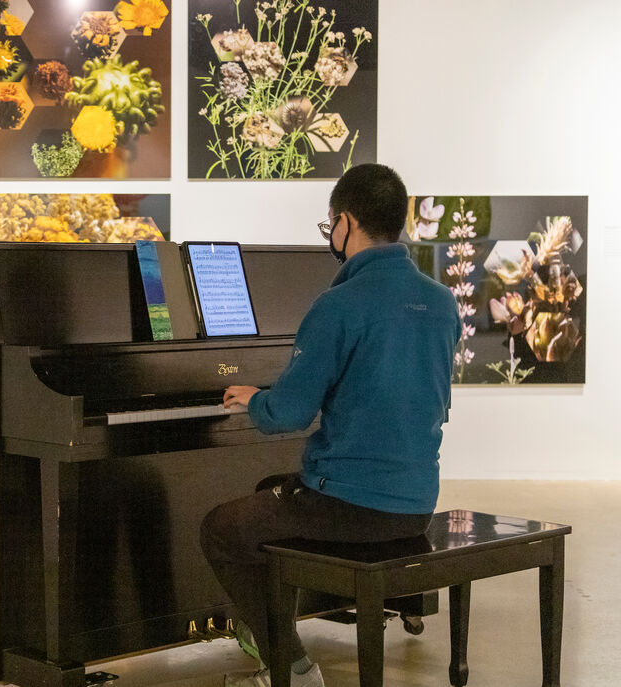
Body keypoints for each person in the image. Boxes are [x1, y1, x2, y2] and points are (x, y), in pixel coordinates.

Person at [200, 164, 462, 687]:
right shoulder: (441, 303)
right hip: (414, 504)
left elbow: (289, 414)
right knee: (270, 494)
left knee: (222, 528)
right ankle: (276, 644)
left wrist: (256, 399)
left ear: (345, 222)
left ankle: (292, 668)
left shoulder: (339, 304)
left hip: (350, 507)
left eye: (330, 226)